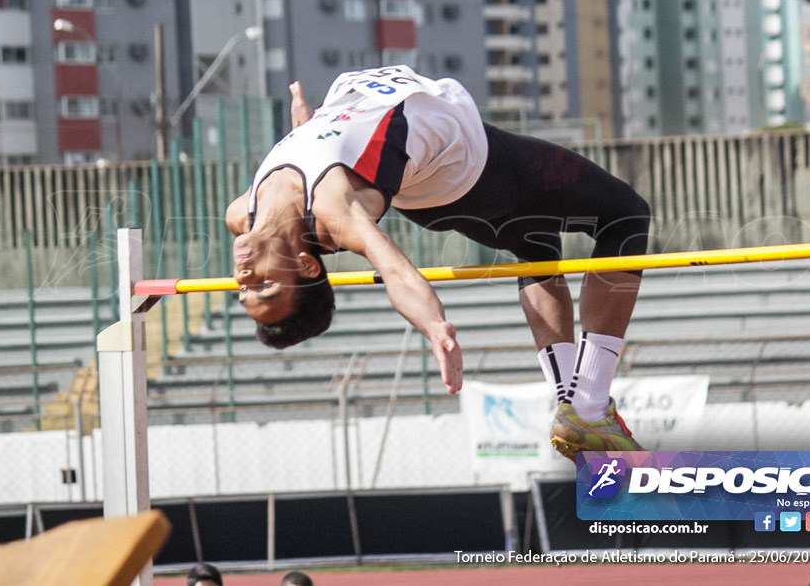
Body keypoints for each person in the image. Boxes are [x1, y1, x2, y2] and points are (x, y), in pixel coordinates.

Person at [226, 65, 651, 458]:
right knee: (625, 214)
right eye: (265, 285)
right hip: (470, 166)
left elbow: (316, 155)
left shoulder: (241, 213)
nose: (245, 277)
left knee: (535, 247)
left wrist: (306, 124)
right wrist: (434, 325)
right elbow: (395, 270)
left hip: (433, 182)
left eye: (245, 292)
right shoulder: (333, 208)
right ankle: (591, 408)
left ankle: (572, 407)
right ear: (306, 266)